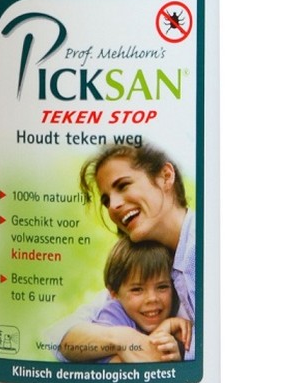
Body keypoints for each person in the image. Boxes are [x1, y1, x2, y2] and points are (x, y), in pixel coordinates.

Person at [52, 143, 196, 363]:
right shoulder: (148, 258)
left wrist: (174, 348)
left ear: (165, 177)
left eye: (124, 185)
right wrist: (122, 338)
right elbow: (63, 336)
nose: (113, 206)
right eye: (106, 200)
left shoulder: (206, 248)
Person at [92, 235, 188, 364]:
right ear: (114, 293)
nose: (152, 298)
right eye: (137, 289)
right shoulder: (112, 314)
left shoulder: (178, 312)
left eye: (162, 287)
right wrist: (163, 329)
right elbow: (118, 368)